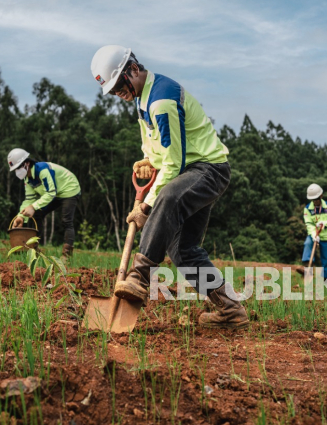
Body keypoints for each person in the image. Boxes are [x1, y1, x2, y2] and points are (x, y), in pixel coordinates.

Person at [90, 45, 249, 330]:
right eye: (112, 90)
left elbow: (174, 164)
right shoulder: (142, 97)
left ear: (133, 69)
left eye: (118, 85)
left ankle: (139, 276)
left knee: (169, 195)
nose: (117, 93)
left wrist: (145, 207)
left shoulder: (161, 100)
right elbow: (159, 145)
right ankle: (231, 310)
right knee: (182, 250)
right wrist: (148, 160)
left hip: (208, 169)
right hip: (189, 171)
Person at [7, 148, 81, 258]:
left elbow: (51, 193)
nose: (17, 171)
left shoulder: (42, 170)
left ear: (27, 163)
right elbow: (29, 199)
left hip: (69, 189)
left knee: (66, 220)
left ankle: (67, 255)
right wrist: (21, 216)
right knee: (37, 214)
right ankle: (34, 248)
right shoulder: (27, 179)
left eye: (18, 167)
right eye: (15, 169)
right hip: (54, 193)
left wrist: (33, 206)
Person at [302, 183, 327, 280]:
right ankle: (308, 266)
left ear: (321, 196)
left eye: (316, 199)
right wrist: (314, 235)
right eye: (313, 199)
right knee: (307, 243)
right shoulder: (307, 209)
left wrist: (324, 223)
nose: (315, 201)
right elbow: (309, 223)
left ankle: (326, 277)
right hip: (314, 234)